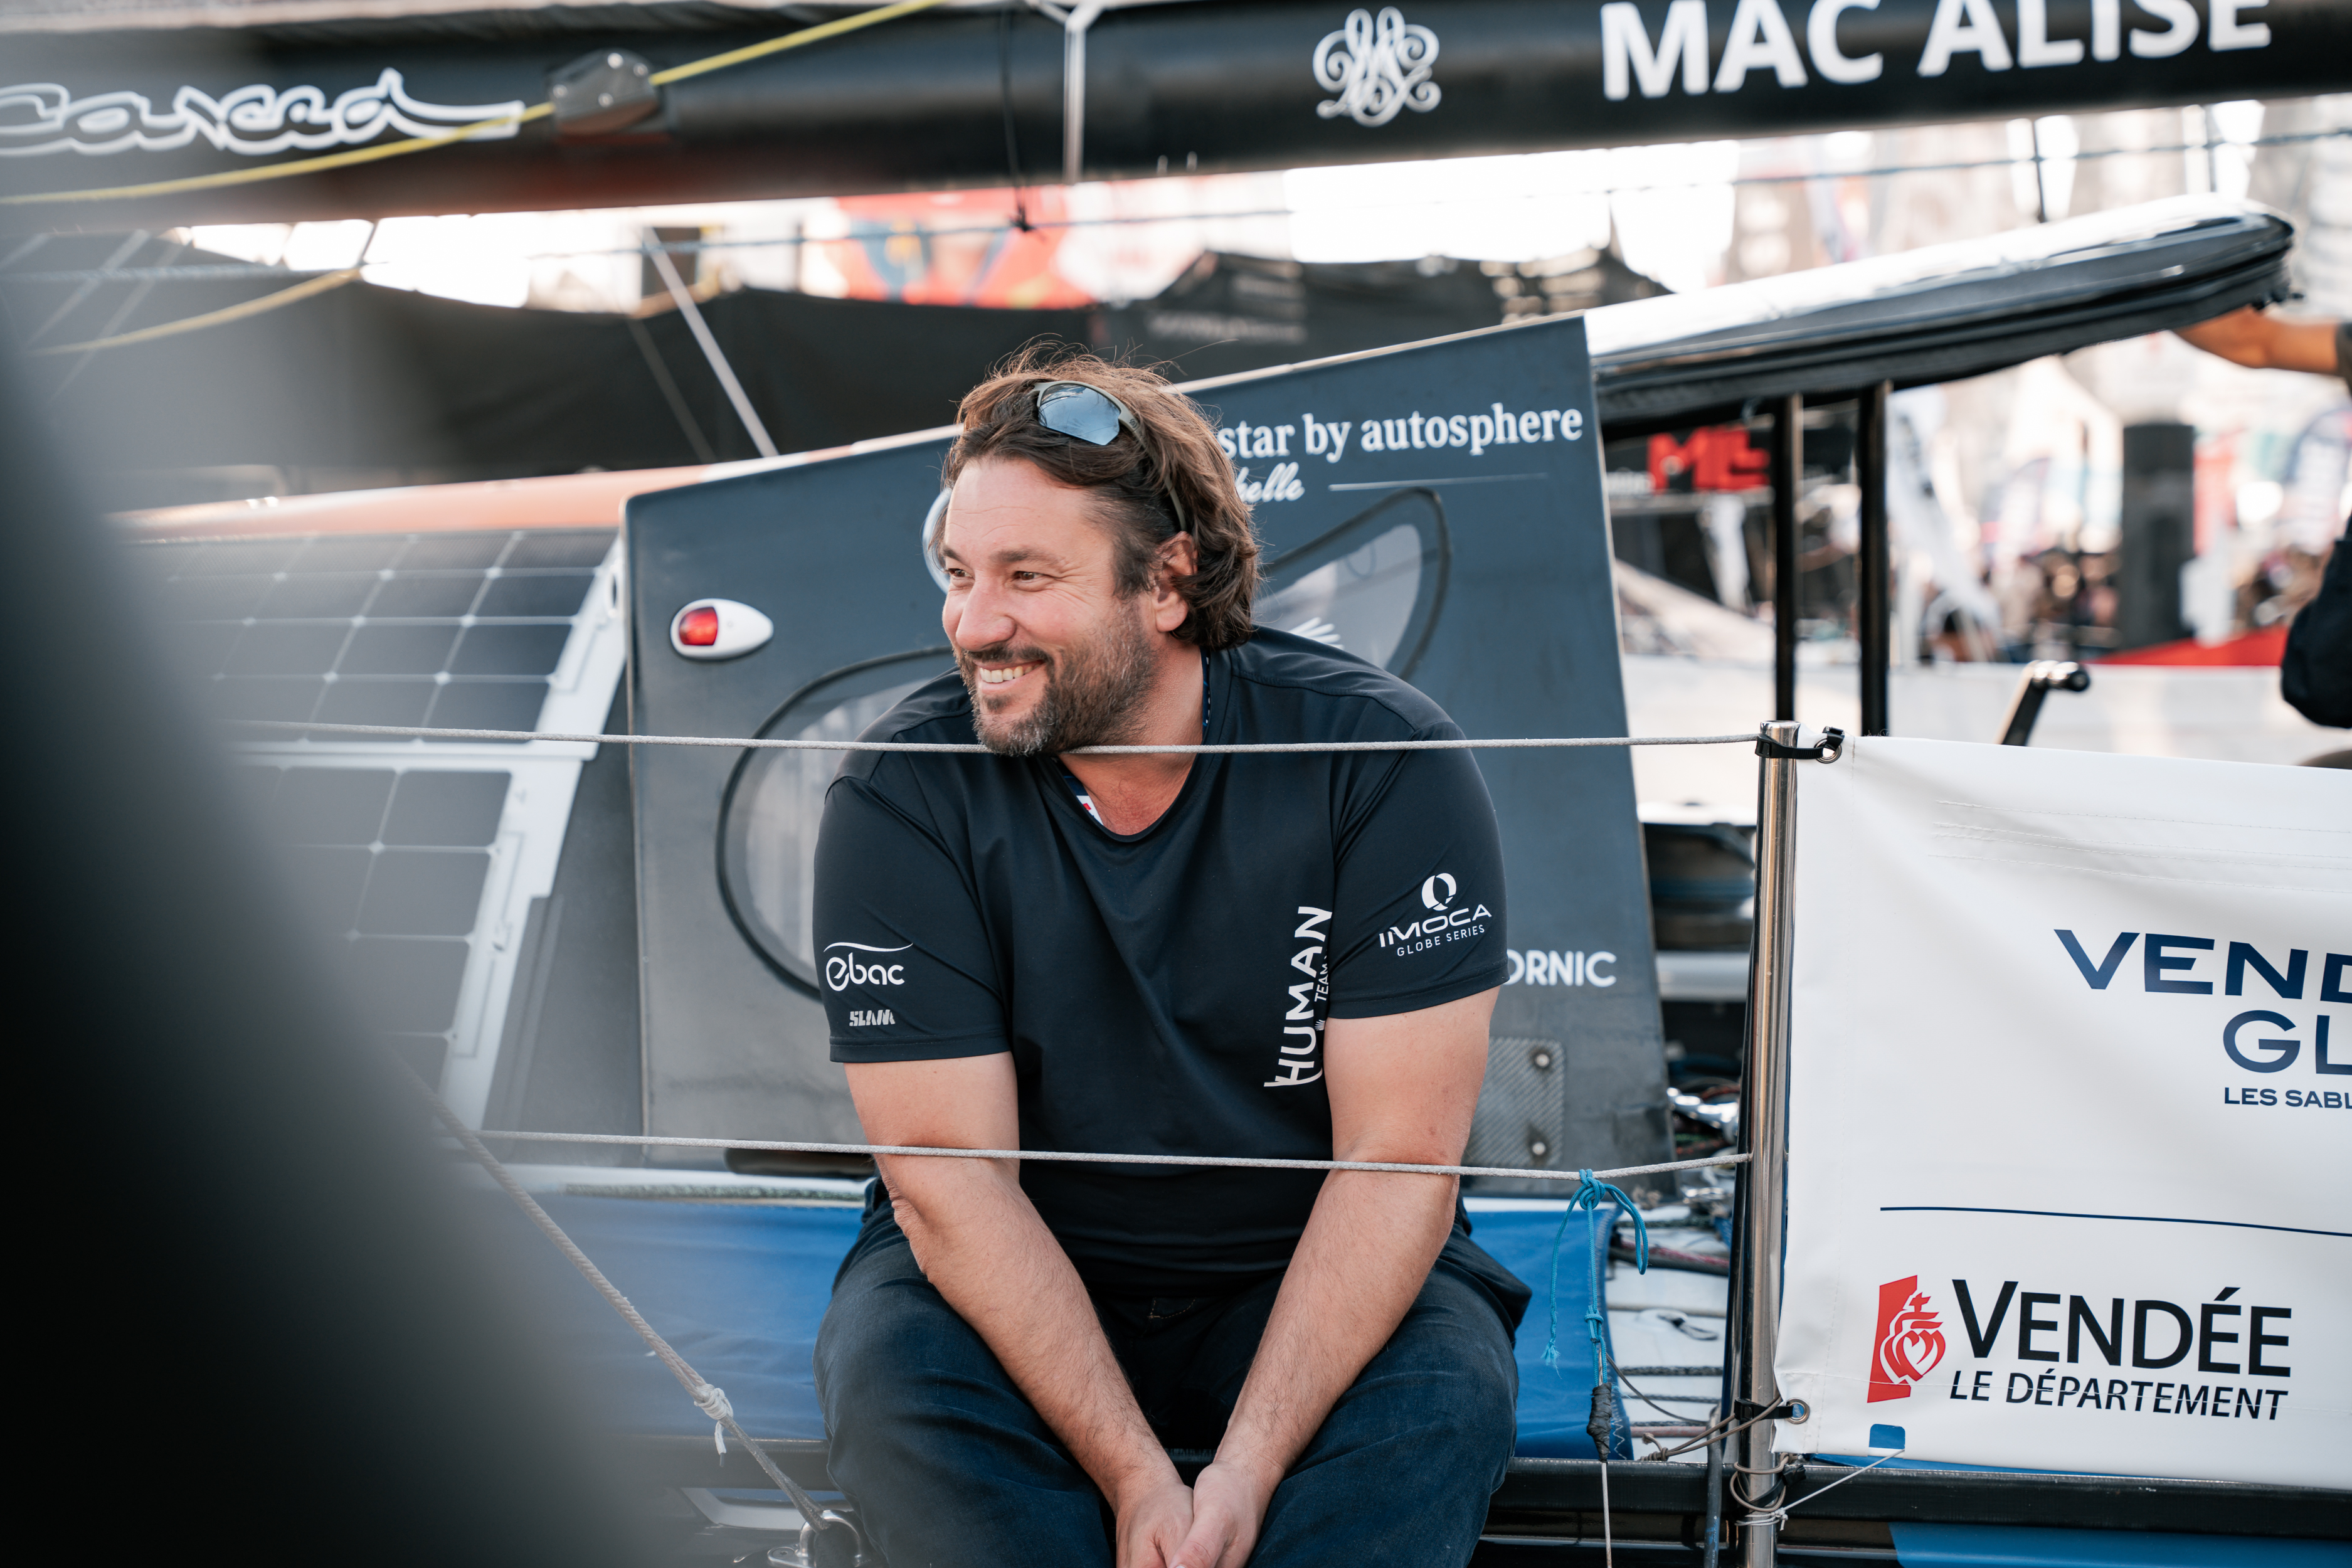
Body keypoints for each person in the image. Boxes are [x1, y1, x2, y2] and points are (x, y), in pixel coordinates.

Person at [809, 354, 1527, 1568]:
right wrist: (1142, 1477)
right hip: (1019, 1265)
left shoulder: (1380, 756)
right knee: (895, 1382)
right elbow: (950, 1183)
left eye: (1028, 577)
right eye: (960, 574)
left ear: (1169, 577)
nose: (975, 623)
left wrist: (1241, 1470)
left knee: (1444, 1397)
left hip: (1300, 1260)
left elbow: (1399, 1160)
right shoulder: (903, 789)